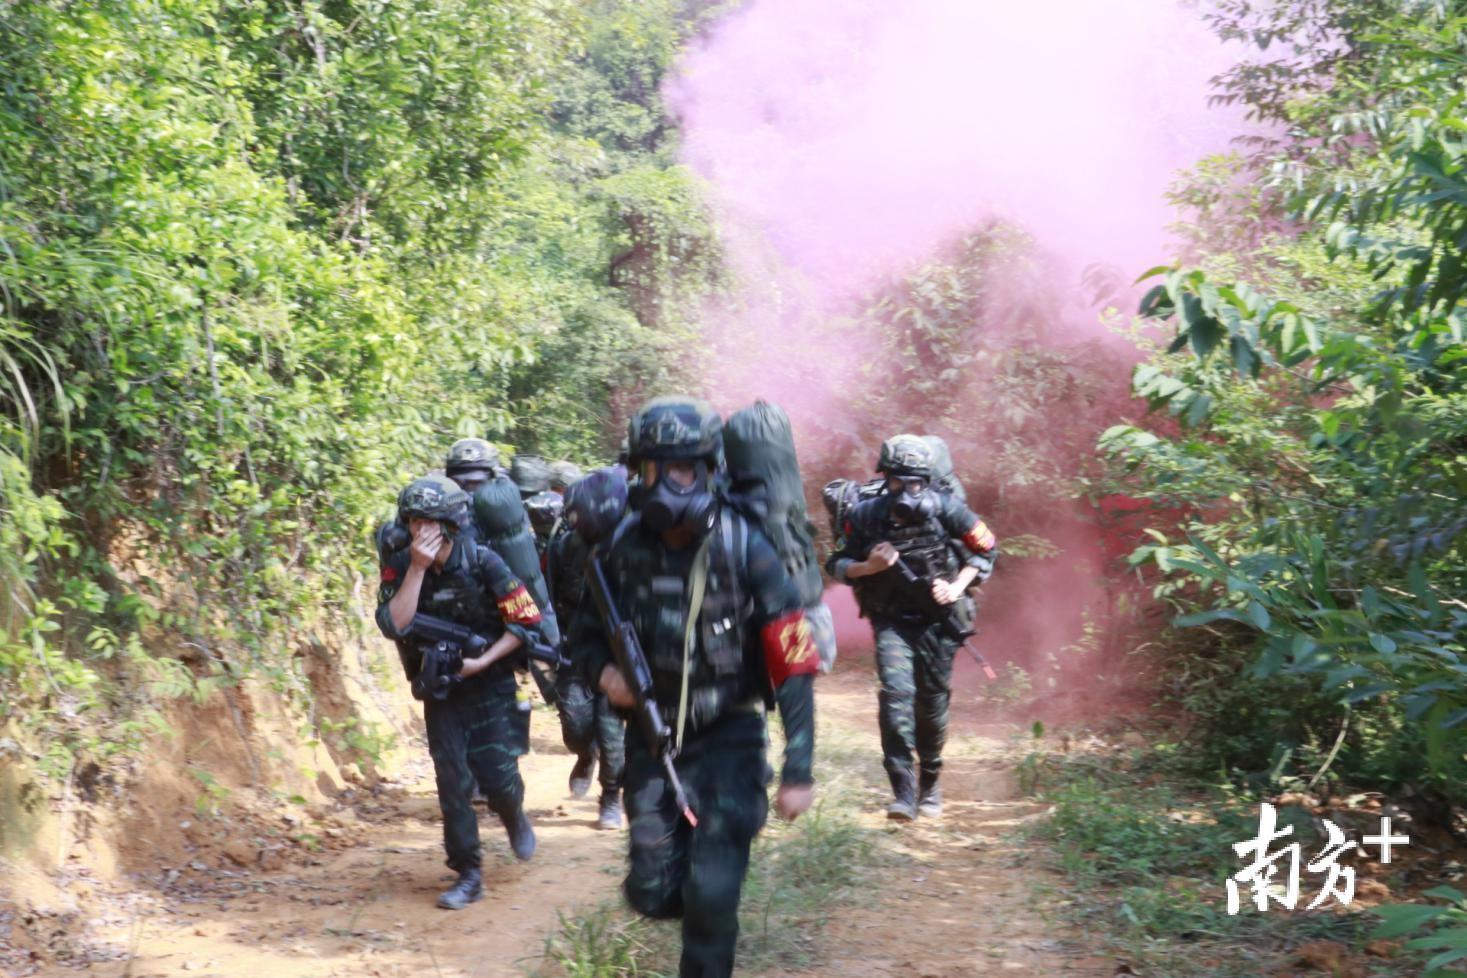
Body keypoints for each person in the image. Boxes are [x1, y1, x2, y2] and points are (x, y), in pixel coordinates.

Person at [569, 396, 818, 978]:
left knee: (711, 893)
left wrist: (798, 768)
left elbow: (794, 661)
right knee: (652, 889)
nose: (669, 484)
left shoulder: (745, 547)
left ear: (709, 470)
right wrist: (605, 674)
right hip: (654, 743)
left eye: (683, 469)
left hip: (730, 734)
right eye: (656, 470)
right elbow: (582, 639)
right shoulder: (621, 548)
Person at [376, 475, 547, 909]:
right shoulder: (401, 563)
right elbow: (394, 623)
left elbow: (526, 622)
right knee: (452, 780)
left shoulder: (484, 562)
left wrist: (486, 660)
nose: (420, 531)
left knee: (498, 776)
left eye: (429, 522)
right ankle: (468, 871)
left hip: (488, 681)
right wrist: (415, 567)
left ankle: (514, 816)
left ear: (451, 523)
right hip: (440, 686)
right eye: (413, 522)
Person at [825, 434, 998, 821]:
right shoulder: (865, 516)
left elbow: (987, 550)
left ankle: (930, 784)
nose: (906, 490)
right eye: (897, 481)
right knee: (896, 695)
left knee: (932, 704)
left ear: (929, 480)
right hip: (892, 621)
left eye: (915, 481)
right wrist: (869, 567)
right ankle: (902, 791)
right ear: (885, 479)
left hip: (940, 621)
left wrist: (955, 588)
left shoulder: (950, 510)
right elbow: (836, 564)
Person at [546, 468, 628, 828]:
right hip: (576, 645)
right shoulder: (565, 546)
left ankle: (610, 796)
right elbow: (549, 590)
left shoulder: (631, 547)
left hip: (616, 651)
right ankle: (584, 755)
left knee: (612, 734)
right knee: (575, 726)